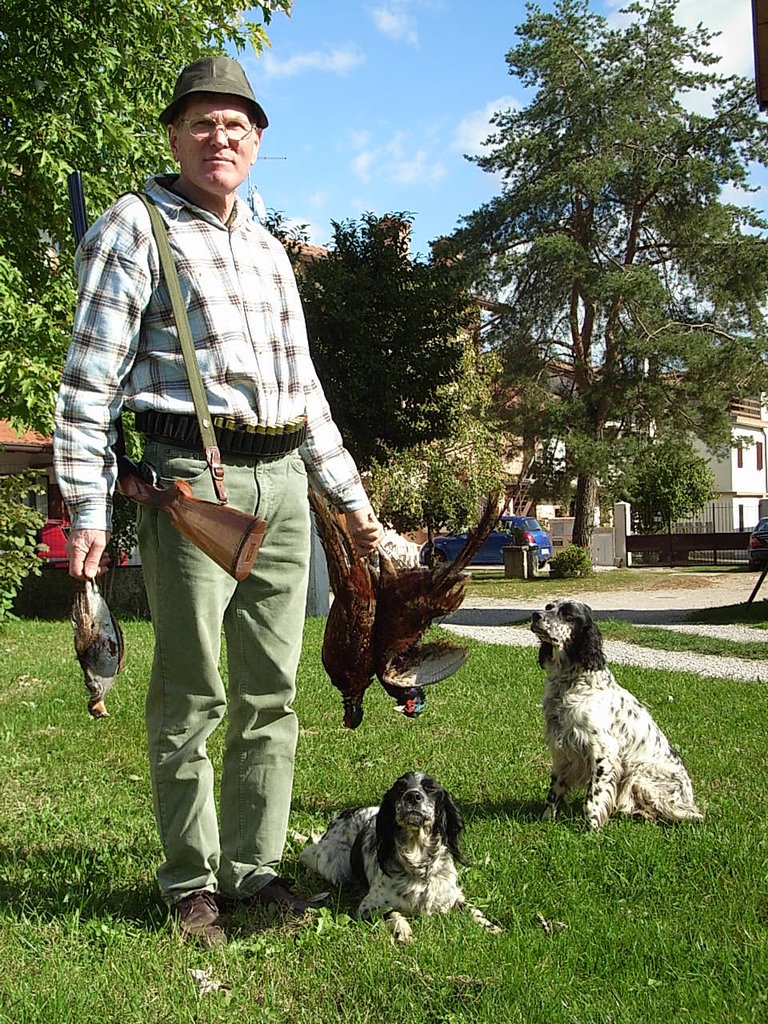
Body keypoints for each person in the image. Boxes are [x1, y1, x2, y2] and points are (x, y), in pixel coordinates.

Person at [53, 55, 383, 948]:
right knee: (191, 693)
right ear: (174, 135)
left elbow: (306, 391)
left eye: (236, 123)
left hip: (284, 484)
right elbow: (88, 385)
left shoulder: (270, 249)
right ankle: (191, 883)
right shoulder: (134, 226)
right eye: (201, 121)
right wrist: (87, 508)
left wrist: (351, 503)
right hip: (191, 485)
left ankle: (254, 870)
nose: (219, 136)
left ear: (257, 141)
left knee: (272, 694)